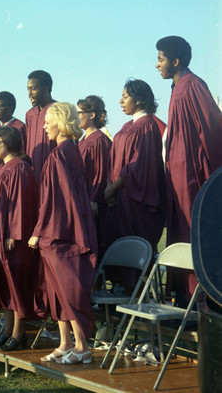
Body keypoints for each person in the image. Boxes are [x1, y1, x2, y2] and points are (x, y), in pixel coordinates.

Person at [28, 103, 97, 365]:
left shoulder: (60, 154)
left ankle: (82, 347)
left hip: (60, 236)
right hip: (65, 231)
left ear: (61, 122)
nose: (44, 125)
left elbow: (56, 201)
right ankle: (66, 344)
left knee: (67, 290)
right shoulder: (70, 151)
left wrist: (39, 231)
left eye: (48, 121)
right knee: (57, 291)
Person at [156, 36, 222, 302]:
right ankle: (183, 297)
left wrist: (212, 177)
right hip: (179, 177)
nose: (156, 64)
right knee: (180, 230)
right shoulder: (177, 87)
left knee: (192, 232)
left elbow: (212, 130)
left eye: (160, 59)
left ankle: (199, 299)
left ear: (175, 61)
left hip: (194, 178)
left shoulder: (192, 85)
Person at [103, 79, 165, 290]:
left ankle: (133, 299)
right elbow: (113, 161)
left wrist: (113, 187)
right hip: (119, 200)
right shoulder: (127, 126)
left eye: (126, 96)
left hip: (134, 202)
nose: (120, 101)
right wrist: (110, 186)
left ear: (139, 99)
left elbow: (138, 167)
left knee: (132, 254)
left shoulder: (148, 126)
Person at [0, 126, 38, 351]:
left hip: (13, 240)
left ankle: (19, 333)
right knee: (4, 285)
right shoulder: (1, 168)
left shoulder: (20, 168)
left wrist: (13, 234)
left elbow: (22, 204)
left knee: (16, 285)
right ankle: (6, 330)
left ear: (8, 144)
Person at [77, 96, 112, 261]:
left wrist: (94, 199)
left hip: (94, 203)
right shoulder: (82, 140)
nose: (77, 117)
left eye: (80, 113)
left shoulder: (98, 140)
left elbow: (101, 172)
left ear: (92, 115)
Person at [0, 91, 27, 180]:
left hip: (13, 175)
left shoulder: (19, 127)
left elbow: (23, 154)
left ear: (10, 107)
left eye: (0, 106)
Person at [25, 70, 57, 183]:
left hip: (53, 173)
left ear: (46, 88)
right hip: (32, 173)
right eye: (28, 89)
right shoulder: (30, 115)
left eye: (33, 89)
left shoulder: (59, 110)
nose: (29, 93)